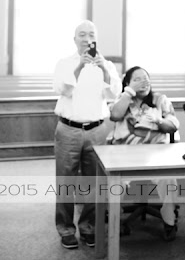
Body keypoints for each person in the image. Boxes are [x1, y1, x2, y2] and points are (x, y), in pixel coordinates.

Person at [53, 20, 122, 249]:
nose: (86, 38)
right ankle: (66, 229)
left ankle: (88, 227)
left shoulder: (107, 65)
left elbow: (114, 93)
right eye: (82, 34)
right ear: (75, 39)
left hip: (96, 130)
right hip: (69, 129)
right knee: (65, 182)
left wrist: (102, 68)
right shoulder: (65, 63)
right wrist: (79, 67)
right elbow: (62, 89)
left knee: (95, 183)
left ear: (96, 38)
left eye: (91, 34)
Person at [108, 66, 180, 241]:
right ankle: (114, 221)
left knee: (168, 179)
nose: (144, 82)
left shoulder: (160, 100)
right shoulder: (123, 99)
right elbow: (115, 115)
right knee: (115, 182)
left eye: (146, 78)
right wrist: (127, 94)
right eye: (137, 79)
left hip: (157, 155)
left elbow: (173, 126)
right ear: (127, 83)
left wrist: (159, 120)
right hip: (125, 156)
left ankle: (169, 220)